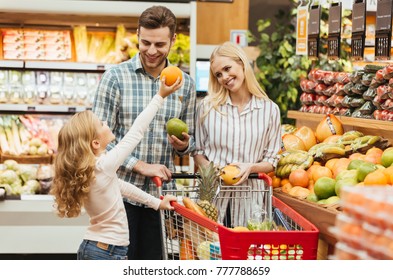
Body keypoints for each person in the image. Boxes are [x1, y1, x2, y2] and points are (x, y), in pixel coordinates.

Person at [92, 5, 196, 260]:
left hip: (158, 198)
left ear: (172, 40)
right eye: (145, 42)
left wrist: (183, 145)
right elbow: (94, 142)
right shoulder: (115, 77)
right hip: (116, 196)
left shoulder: (186, 84)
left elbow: (190, 142)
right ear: (137, 34)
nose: (151, 51)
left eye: (160, 44)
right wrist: (138, 164)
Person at [51, 77, 182, 260]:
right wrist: (160, 96)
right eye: (101, 124)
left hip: (101, 249)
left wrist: (157, 203)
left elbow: (123, 188)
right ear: (95, 142)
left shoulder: (96, 169)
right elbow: (136, 132)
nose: (106, 123)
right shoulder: (103, 166)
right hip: (105, 252)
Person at [192, 41, 282, 228]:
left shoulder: (269, 110)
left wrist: (250, 167)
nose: (224, 77)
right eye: (218, 74)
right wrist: (211, 169)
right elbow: (198, 151)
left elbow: (272, 160)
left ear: (241, 63)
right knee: (210, 252)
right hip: (213, 200)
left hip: (251, 202)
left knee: (246, 253)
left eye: (227, 68)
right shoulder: (207, 108)